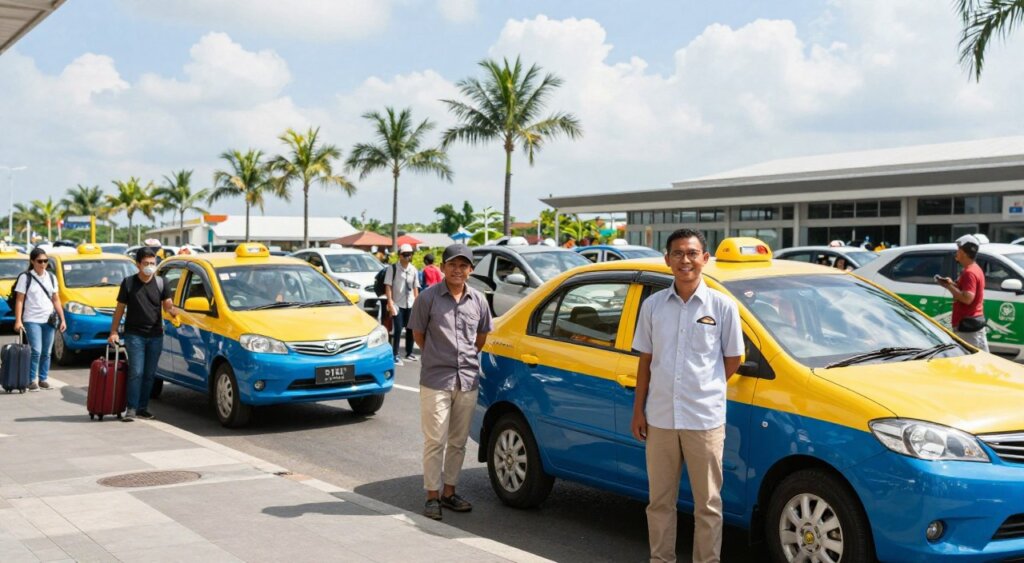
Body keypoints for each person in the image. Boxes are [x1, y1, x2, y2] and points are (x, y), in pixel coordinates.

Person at [630, 228, 743, 563]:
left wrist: (705, 385)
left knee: (708, 505)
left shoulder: (723, 307)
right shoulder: (652, 306)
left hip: (704, 420)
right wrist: (639, 411)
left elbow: (733, 358)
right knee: (659, 501)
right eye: (677, 253)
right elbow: (646, 361)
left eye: (692, 253)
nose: (685, 260)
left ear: (705, 259)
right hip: (661, 418)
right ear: (667, 260)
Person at [408, 243, 492, 521]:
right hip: (436, 379)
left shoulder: (478, 300)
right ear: (443, 267)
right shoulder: (428, 298)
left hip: (467, 379)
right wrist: (439, 356)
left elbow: (481, 338)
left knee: (458, 442)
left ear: (470, 270)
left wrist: (464, 358)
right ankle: (432, 495)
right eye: (453, 265)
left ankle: (449, 492)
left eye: (463, 265)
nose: (458, 270)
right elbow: (418, 335)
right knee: (435, 440)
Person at [108, 247, 179, 421]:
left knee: (149, 374)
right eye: (146, 263)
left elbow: (167, 304)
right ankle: (131, 408)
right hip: (134, 335)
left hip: (156, 335)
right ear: (138, 265)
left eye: (152, 263)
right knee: (136, 372)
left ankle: (142, 407)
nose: (150, 266)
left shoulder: (162, 283)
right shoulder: (129, 283)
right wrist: (114, 331)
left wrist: (173, 311)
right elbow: (119, 309)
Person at [12, 248, 67, 391]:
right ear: (32, 261)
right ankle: (31, 380)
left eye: (45, 261)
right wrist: (18, 320)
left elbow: (56, 300)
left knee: (46, 352)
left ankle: (43, 379)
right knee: (36, 350)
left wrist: (62, 319)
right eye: (39, 261)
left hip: (49, 319)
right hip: (31, 319)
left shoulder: (51, 277)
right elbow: (19, 300)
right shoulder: (25, 277)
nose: (43, 264)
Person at [937, 234, 988, 352]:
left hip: (968, 325)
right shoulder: (974, 269)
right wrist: (952, 285)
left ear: (964, 253)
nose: (957, 252)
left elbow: (967, 298)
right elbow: (965, 292)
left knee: (973, 363)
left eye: (958, 250)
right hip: (970, 323)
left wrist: (948, 286)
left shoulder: (969, 272)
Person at [384, 243, 419, 366]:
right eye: (405, 255)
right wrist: (390, 302)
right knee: (398, 329)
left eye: (410, 254)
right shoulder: (392, 269)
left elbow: (416, 287)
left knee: (411, 329)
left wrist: (417, 302)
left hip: (410, 303)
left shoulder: (413, 269)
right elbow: (388, 286)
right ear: (400, 255)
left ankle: (409, 353)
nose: (408, 257)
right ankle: (395, 354)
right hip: (397, 303)